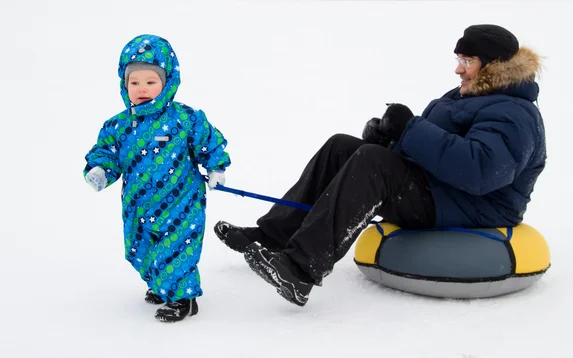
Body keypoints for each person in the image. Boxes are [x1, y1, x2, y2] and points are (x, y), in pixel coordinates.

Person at [215, 24, 546, 307]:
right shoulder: (468, 96)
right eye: (459, 59)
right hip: (444, 191)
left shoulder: (514, 113)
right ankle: (273, 236)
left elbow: (481, 171)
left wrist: (411, 129)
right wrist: (389, 138)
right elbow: (436, 152)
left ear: (492, 66)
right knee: (342, 146)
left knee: (374, 163)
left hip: (476, 206)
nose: (458, 69)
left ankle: (301, 270)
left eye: (467, 60)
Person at [84, 34, 231, 322]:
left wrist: (216, 167)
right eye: (134, 82)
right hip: (138, 207)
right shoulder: (118, 125)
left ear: (167, 82)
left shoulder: (184, 119)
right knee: (139, 250)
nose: (142, 89)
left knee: (176, 251)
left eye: (150, 82)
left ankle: (183, 299)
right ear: (124, 84)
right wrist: (100, 170)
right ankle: (160, 285)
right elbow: (107, 153)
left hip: (181, 204)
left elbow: (209, 142)